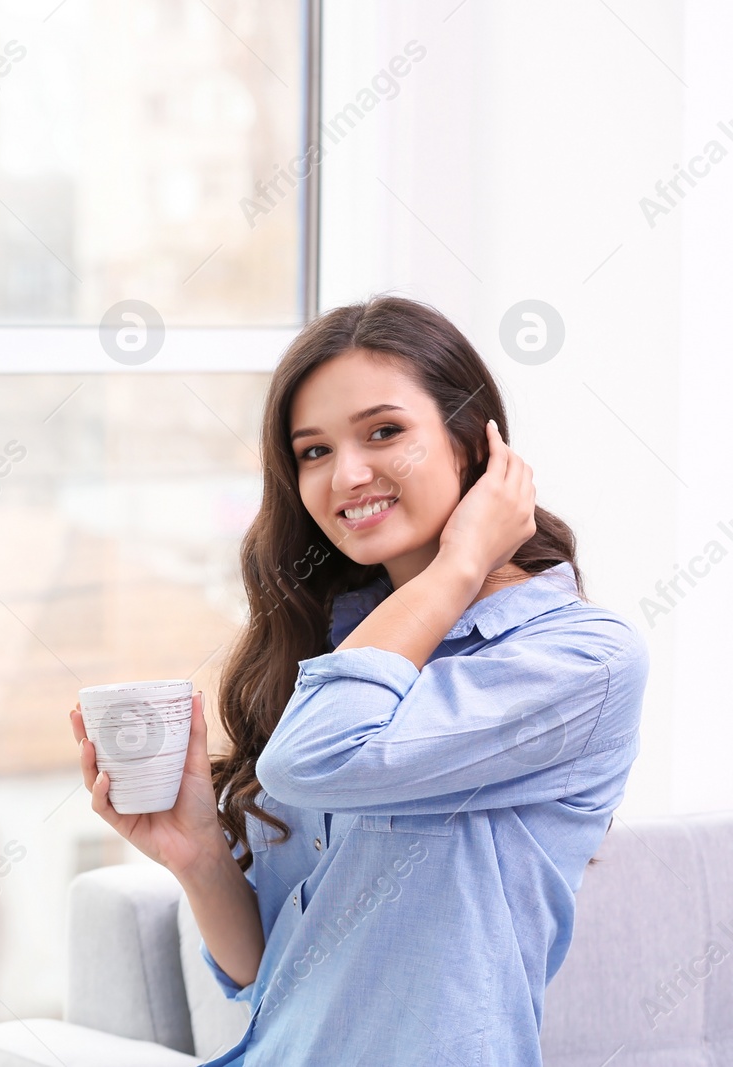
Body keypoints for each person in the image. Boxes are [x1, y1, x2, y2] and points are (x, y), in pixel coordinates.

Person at [69, 295, 649, 1066]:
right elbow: (268, 976)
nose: (347, 473)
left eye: (385, 431)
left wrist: (462, 561)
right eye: (313, 451)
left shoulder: (582, 661)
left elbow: (318, 757)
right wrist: (199, 852)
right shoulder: (339, 644)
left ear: (475, 447)